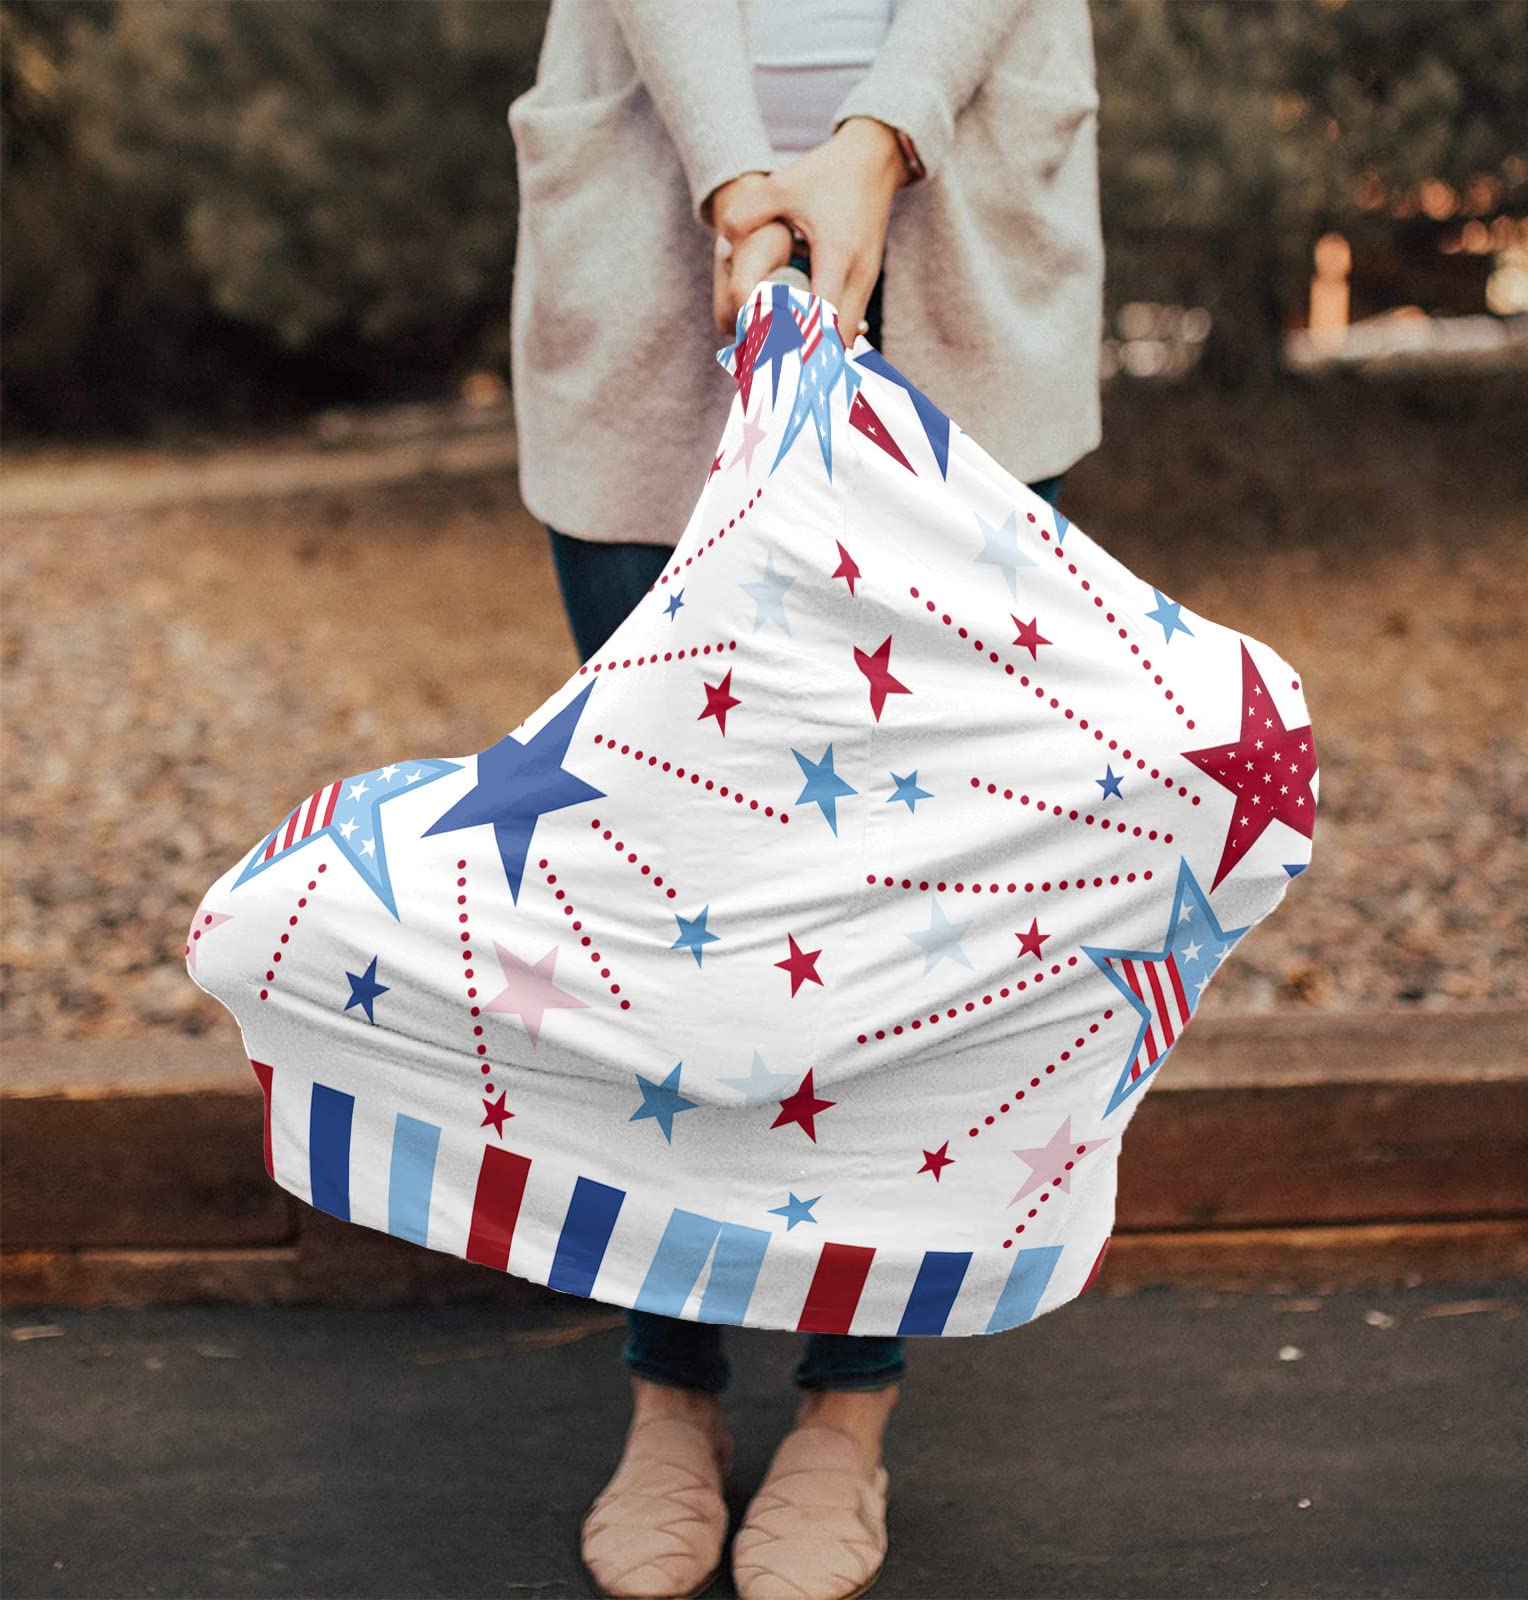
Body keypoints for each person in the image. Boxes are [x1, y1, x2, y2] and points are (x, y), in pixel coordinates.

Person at [505, 3, 1103, 1595]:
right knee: (660, 868)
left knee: (912, 894)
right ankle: (671, 1389)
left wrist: (875, 137)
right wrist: (734, 179)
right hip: (657, 227)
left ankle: (849, 1407)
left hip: (959, 224)